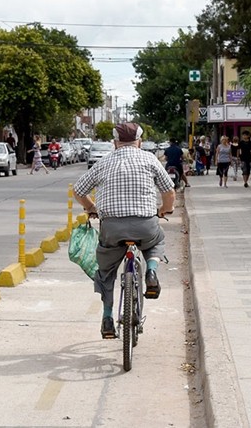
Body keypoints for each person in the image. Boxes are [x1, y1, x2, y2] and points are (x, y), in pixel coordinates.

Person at [73, 123, 176, 339]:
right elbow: (169, 191)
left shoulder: (104, 162)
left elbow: (79, 190)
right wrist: (165, 209)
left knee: (106, 271)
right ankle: (152, 272)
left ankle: (108, 317)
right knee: (156, 242)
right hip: (145, 225)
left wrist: (92, 208)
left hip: (111, 228)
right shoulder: (150, 159)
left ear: (114, 142)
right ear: (139, 141)